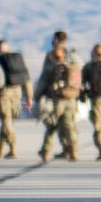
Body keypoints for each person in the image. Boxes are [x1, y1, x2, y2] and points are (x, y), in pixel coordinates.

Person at [35, 31, 83, 162]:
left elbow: (44, 78)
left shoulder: (52, 56)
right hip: (72, 97)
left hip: (56, 97)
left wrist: (37, 95)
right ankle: (72, 151)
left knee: (52, 125)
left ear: (55, 40)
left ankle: (45, 151)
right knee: (69, 125)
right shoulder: (73, 56)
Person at [0, 39, 30, 158]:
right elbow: (26, 79)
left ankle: (13, 148)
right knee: (8, 121)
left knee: (6, 120)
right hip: (17, 92)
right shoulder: (17, 59)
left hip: (3, 93)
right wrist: (29, 97)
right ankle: (1, 147)